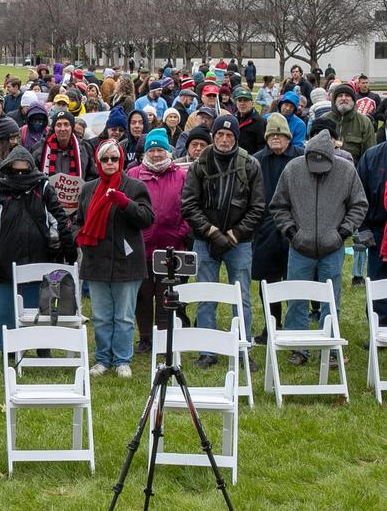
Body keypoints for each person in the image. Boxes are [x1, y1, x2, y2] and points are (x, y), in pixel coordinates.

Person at [269, 131, 368, 366]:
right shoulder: (293, 169)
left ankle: (331, 347)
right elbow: (278, 205)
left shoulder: (347, 171)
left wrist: (342, 232)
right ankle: (298, 347)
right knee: (296, 298)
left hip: (332, 247)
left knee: (331, 300)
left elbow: (359, 204)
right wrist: (292, 232)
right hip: (299, 247)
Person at [180, 115, 265, 367]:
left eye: (229, 136)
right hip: (204, 240)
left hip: (240, 242)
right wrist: (212, 232)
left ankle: (242, 349)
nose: (224, 139)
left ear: (236, 138)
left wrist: (235, 234)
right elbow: (188, 204)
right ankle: (208, 350)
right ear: (213, 136)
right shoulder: (200, 165)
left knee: (242, 298)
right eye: (220, 135)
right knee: (207, 295)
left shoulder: (251, 165)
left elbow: (258, 207)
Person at [74, 140, 154, 378]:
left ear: (121, 159)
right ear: (98, 162)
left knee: (124, 315)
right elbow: (79, 220)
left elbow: (147, 218)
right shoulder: (89, 188)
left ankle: (122, 360)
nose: (110, 163)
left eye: (114, 159)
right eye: (105, 159)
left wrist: (125, 203)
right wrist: (79, 237)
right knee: (100, 315)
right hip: (96, 259)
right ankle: (102, 359)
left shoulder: (135, 186)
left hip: (125, 260)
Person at [127, 129, 190, 354]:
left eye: (160, 150)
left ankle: (164, 337)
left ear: (168, 151)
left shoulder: (181, 176)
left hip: (171, 244)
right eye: (151, 150)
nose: (155, 154)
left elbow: (189, 207)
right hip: (141, 244)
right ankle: (145, 337)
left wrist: (181, 232)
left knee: (166, 292)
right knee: (143, 294)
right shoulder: (133, 174)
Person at [252, 114, 304, 342]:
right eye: (271, 135)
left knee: (294, 278)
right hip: (265, 227)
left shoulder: (300, 158)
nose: (275, 138)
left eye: (280, 134)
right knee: (268, 280)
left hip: (295, 226)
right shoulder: (257, 161)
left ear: (288, 137)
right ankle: (272, 324)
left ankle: (295, 326)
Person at [324, 82, 375, 164]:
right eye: (340, 96)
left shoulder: (364, 122)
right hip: (327, 169)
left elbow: (370, 155)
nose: (343, 98)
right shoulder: (324, 119)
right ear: (334, 100)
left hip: (354, 171)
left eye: (347, 95)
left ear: (353, 100)